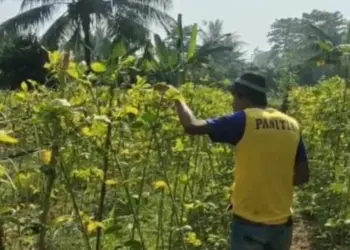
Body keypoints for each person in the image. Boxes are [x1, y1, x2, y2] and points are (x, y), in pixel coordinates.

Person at [155, 72, 309, 250]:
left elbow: (192, 125)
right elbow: (303, 175)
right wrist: (271, 185)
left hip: (249, 224)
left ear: (244, 97)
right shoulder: (292, 125)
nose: (233, 104)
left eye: (234, 98)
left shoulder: (244, 119)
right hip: (283, 225)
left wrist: (177, 97)